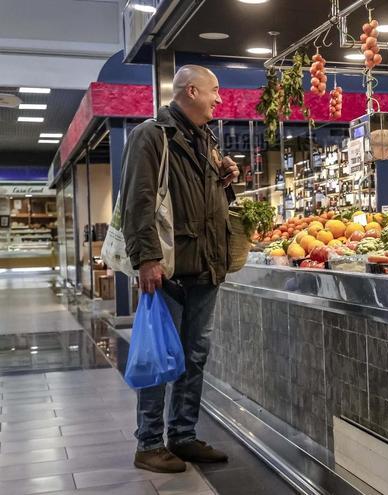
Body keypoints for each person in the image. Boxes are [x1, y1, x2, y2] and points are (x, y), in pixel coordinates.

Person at [120, 65, 239, 473]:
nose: (219, 100)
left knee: (194, 356)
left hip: (205, 267)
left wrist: (228, 178)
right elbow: (137, 201)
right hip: (167, 270)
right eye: (214, 92)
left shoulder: (205, 138)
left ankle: (183, 436)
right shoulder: (151, 136)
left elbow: (208, 201)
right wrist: (147, 259)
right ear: (191, 91)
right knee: (157, 356)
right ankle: (149, 443)